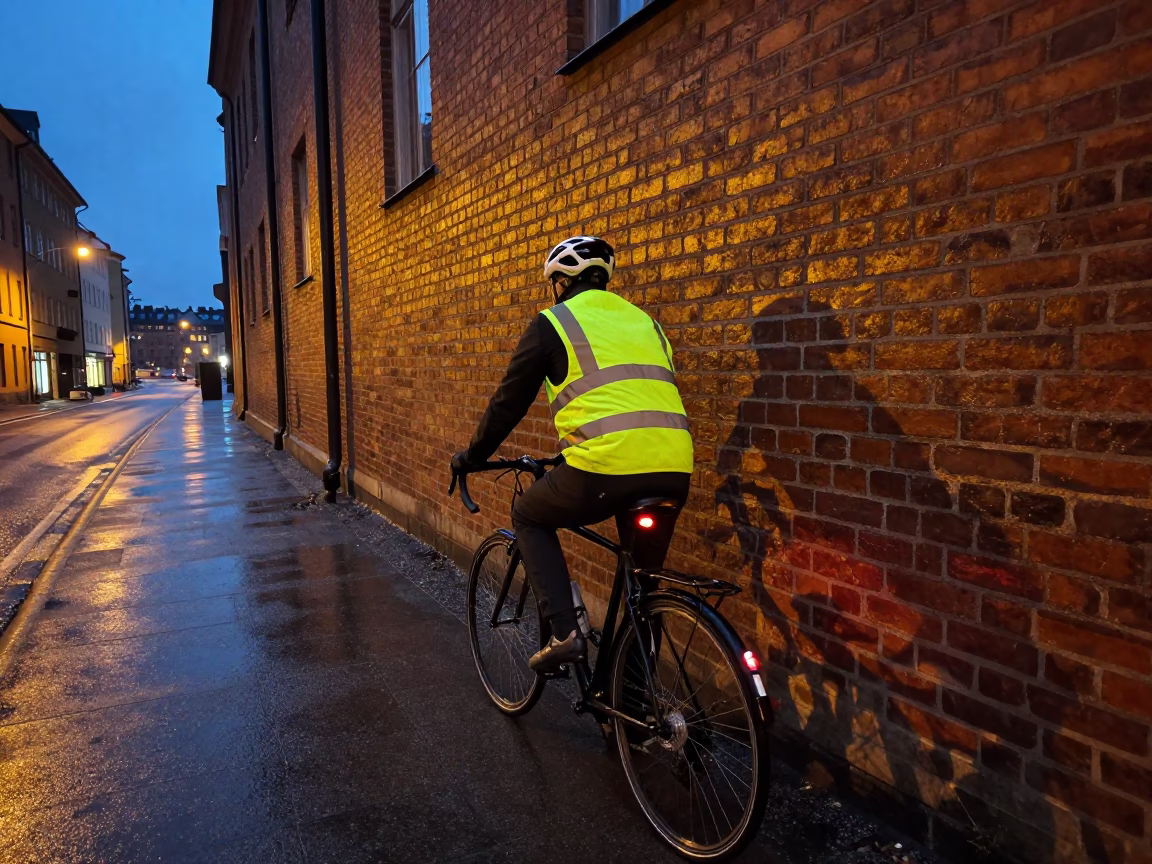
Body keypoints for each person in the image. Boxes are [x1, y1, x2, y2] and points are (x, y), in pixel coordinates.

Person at [452, 236, 694, 673]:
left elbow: (509, 401)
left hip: (605, 469)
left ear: (560, 282)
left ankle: (565, 632)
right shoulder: (646, 323)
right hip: (673, 467)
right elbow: (630, 400)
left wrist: (472, 455)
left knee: (528, 514)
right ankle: (634, 712)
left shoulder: (554, 322)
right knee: (643, 590)